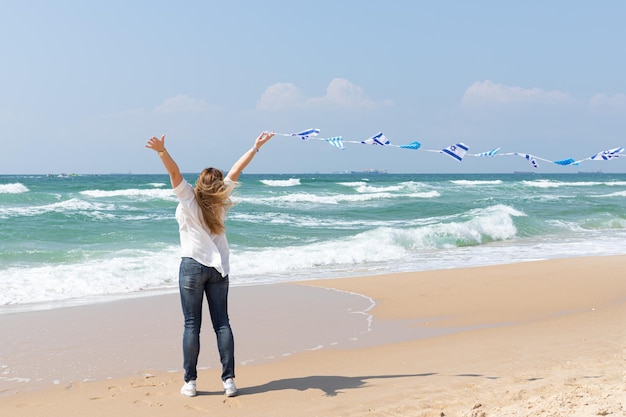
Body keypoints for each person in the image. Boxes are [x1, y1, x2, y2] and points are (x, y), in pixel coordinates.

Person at [145, 131, 275, 398]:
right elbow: (238, 169)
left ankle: (190, 383)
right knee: (222, 324)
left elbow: (174, 172)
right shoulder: (221, 200)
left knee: (192, 325)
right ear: (217, 185)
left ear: (199, 184)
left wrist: (161, 151)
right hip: (219, 270)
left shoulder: (189, 198)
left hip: (192, 267)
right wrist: (255, 147)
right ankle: (229, 381)